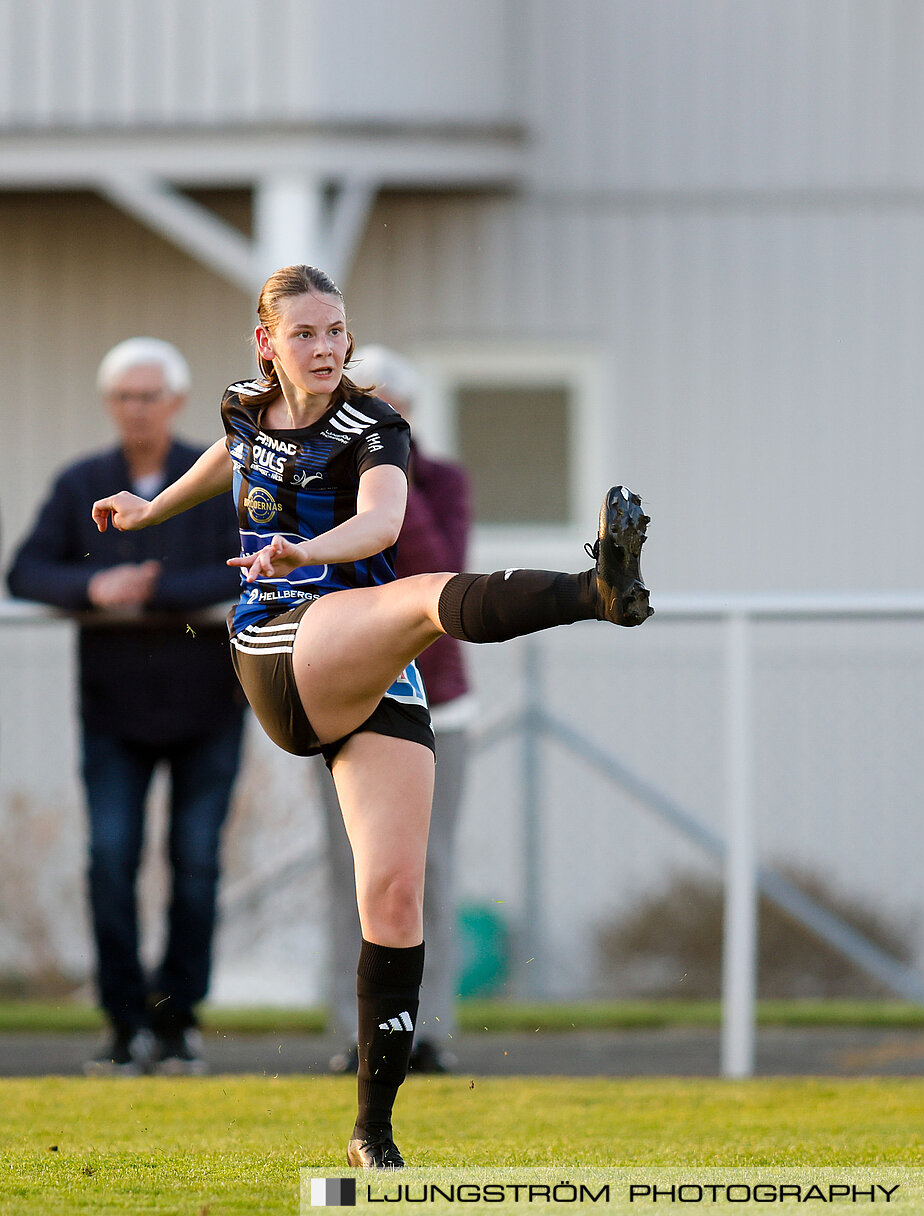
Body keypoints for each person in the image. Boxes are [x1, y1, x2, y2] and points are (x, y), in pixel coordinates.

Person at [90, 265, 652, 1169]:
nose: (326, 348)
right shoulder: (244, 406)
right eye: (306, 334)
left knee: (393, 897)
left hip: (366, 667)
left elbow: (383, 524)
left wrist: (304, 545)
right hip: (280, 648)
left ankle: (373, 1132)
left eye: (337, 330)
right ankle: (594, 591)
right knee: (424, 601)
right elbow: (226, 456)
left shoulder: (374, 425)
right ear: (266, 344)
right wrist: (155, 507)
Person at [7, 338, 245, 1077]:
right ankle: (122, 1022)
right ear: (109, 404)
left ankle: (179, 1023)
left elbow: (246, 562)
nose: (134, 409)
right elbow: (25, 570)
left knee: (196, 864)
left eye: (148, 395)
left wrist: (151, 585)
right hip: (113, 711)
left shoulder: (213, 476)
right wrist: (90, 588)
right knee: (110, 860)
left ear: (176, 401)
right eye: (122, 396)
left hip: (209, 704)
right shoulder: (83, 480)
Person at [315, 346, 472, 1076]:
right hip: (347, 700)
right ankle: (357, 1031)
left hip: (434, 701)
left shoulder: (441, 482)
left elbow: (439, 576)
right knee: (350, 868)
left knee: (425, 870)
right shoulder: (313, 479)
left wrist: (391, 483)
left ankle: (425, 1028)